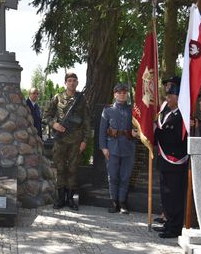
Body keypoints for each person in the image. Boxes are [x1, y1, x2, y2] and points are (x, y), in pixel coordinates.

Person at [44, 72, 90, 211]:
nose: (72, 83)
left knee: (72, 169)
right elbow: (46, 116)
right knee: (60, 169)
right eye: (69, 80)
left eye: (74, 80)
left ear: (77, 83)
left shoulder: (82, 99)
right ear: (65, 83)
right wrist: (54, 124)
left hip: (76, 141)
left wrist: (85, 141)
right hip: (60, 141)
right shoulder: (57, 98)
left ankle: (70, 198)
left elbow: (87, 121)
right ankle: (60, 198)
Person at [153, 79, 189, 239]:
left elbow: (175, 139)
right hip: (164, 162)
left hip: (176, 162)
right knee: (166, 195)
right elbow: (160, 136)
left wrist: (156, 132)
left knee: (175, 196)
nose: (167, 98)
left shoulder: (183, 116)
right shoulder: (166, 113)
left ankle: (175, 228)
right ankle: (168, 222)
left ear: (179, 97)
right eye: (167, 95)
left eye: (171, 95)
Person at [99, 83, 136, 214]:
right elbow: (102, 130)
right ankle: (114, 201)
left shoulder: (133, 110)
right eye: (119, 93)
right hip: (112, 147)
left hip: (128, 147)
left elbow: (139, 127)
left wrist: (136, 132)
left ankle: (122, 202)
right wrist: (103, 147)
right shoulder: (108, 110)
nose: (122, 95)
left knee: (125, 176)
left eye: (124, 93)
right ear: (114, 94)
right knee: (113, 176)